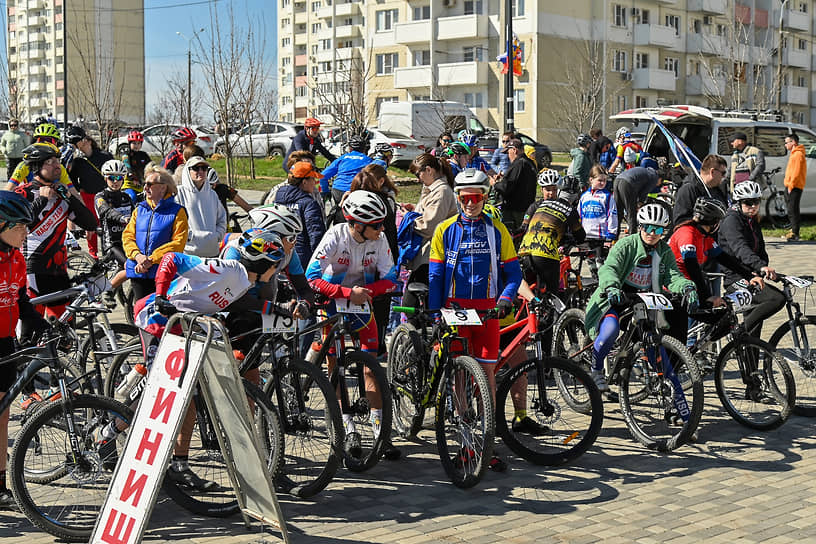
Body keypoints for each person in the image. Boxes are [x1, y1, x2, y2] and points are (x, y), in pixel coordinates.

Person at [132, 230, 286, 489]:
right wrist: (160, 296)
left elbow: (243, 303)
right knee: (159, 393)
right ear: (262, 265)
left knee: (190, 393)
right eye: (274, 265)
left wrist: (279, 309)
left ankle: (179, 466)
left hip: (185, 324)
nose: (277, 271)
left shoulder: (243, 281)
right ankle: (110, 432)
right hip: (157, 319)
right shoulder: (228, 269)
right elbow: (172, 259)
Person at [429, 168, 522, 471]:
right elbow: (436, 275)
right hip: (455, 309)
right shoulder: (444, 230)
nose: (470, 203)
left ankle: (487, 443)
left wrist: (506, 299)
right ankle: (465, 443)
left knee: (488, 379)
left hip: (487, 312)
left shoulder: (498, 230)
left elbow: (513, 273)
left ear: (484, 198)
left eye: (476, 198)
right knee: (460, 377)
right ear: (457, 198)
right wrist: (436, 311)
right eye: (465, 198)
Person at [305, 190, 401, 461]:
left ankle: (381, 432)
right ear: (357, 224)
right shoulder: (336, 235)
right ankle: (347, 429)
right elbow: (312, 278)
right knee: (335, 367)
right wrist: (347, 293)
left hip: (362, 303)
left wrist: (365, 292)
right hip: (333, 300)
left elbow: (391, 277)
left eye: (383, 223)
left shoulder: (379, 240)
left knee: (371, 367)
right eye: (377, 225)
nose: (382, 229)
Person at [584, 203, 697, 393]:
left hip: (642, 303)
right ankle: (596, 370)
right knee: (610, 330)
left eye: (658, 229)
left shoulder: (664, 251)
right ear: (640, 226)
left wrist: (686, 286)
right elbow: (609, 268)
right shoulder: (625, 245)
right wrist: (612, 286)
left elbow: (673, 276)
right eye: (648, 227)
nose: (652, 233)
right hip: (615, 298)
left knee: (654, 343)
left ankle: (666, 386)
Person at [0, 191, 50, 508]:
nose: (26, 233)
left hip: (6, 341)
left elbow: (21, 302)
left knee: (3, 416)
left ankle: (0, 484)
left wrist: (45, 326)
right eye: (20, 226)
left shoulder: (16, 258)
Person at [16, 144, 97, 319]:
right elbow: (18, 224)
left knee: (64, 330)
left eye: (58, 161)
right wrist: (42, 200)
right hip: (33, 270)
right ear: (37, 166)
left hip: (59, 270)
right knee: (32, 332)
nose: (57, 166)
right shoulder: (24, 193)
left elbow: (90, 223)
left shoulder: (62, 194)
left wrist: (69, 198)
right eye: (50, 162)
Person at [717, 181, 786, 338]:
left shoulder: (751, 219)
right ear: (739, 202)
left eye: (756, 201)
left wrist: (763, 268)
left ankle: (749, 355)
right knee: (776, 299)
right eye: (748, 202)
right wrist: (760, 266)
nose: (753, 206)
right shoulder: (731, 220)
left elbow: (761, 249)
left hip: (751, 276)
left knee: (754, 332)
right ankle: (739, 332)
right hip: (735, 278)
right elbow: (741, 249)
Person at [122, 164, 189, 304]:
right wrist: (138, 256)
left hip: (163, 272)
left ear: (163, 187)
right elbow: (127, 236)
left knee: (161, 315)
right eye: (144, 184)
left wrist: (151, 259)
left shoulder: (177, 212)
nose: (145, 188)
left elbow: (178, 244)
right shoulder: (139, 209)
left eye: (149, 184)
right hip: (138, 270)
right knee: (141, 312)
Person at [518, 169, 586, 296]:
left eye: (555, 190)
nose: (551, 193)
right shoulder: (537, 206)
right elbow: (580, 235)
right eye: (548, 190)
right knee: (552, 295)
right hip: (546, 252)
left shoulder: (537, 207)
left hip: (526, 251)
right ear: (542, 189)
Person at [402, 153, 457, 307]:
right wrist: (414, 210)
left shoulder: (441, 191)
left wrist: (408, 218)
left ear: (429, 170)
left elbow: (429, 226)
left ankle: (422, 330)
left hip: (430, 256)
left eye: (418, 174)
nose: (418, 179)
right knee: (416, 304)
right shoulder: (433, 190)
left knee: (411, 305)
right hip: (424, 255)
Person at [275, 161, 327, 268]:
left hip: (280, 256)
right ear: (304, 182)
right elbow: (316, 235)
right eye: (313, 178)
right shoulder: (309, 204)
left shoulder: (278, 197)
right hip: (302, 260)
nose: (315, 182)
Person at [70, 134, 113, 259]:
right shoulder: (78, 161)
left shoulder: (104, 156)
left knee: (106, 223)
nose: (80, 144)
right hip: (87, 195)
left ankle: (108, 250)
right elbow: (72, 179)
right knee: (91, 224)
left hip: (104, 194)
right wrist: (79, 189)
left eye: (82, 141)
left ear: (89, 141)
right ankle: (92, 252)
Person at [95, 160, 135, 294]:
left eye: (119, 177)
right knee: (129, 266)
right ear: (105, 178)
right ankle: (108, 291)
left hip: (128, 241)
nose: (115, 181)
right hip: (111, 243)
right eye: (111, 177)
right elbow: (105, 211)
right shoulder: (100, 196)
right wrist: (121, 218)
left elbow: (136, 214)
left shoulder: (126, 197)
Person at [174, 156, 226, 257]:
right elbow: (175, 222)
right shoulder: (179, 193)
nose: (201, 171)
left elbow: (222, 219)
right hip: (188, 254)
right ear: (187, 171)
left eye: (204, 168)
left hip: (212, 253)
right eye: (196, 168)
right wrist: (190, 237)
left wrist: (217, 236)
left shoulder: (212, 195)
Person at [578, 165, 618, 273]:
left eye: (604, 180)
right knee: (591, 264)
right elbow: (579, 216)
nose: (602, 183)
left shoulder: (607, 196)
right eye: (599, 180)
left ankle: (602, 284)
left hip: (601, 238)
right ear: (591, 180)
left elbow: (612, 215)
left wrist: (610, 236)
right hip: (586, 237)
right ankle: (594, 283)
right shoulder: (584, 196)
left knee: (601, 264)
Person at [493, 138, 538, 233]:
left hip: (516, 211)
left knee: (513, 236)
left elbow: (506, 187)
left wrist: (495, 184)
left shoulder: (518, 164)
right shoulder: (529, 162)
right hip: (527, 208)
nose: (508, 156)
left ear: (514, 150)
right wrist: (503, 179)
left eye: (508, 152)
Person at [672, 154, 729, 227]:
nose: (724, 176)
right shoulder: (689, 189)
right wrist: (702, 222)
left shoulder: (719, 189)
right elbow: (680, 221)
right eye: (723, 173)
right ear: (712, 172)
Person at [320, 133, 372, 205]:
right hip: (357, 192)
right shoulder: (368, 160)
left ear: (350, 148)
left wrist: (325, 191)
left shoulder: (343, 158)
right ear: (364, 148)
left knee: (337, 212)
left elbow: (322, 176)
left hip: (338, 190)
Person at [612, 165, 661, 235]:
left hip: (617, 180)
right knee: (631, 213)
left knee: (618, 212)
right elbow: (645, 192)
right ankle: (632, 236)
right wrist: (640, 203)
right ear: (660, 178)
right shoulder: (654, 177)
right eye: (660, 183)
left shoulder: (647, 171)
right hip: (627, 183)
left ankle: (614, 236)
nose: (658, 185)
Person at [783, 133, 806, 242]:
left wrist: (791, 185)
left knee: (793, 210)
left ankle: (795, 233)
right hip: (791, 185)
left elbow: (796, 173)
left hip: (794, 186)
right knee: (791, 209)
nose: (785, 145)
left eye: (786, 142)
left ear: (793, 143)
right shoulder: (794, 154)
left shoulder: (797, 155)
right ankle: (793, 231)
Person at [122, 130, 151, 200]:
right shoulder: (126, 155)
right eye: (134, 143)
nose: (136, 146)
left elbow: (151, 166)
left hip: (142, 185)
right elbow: (127, 167)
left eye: (138, 143)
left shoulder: (144, 155)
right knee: (132, 197)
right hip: (129, 185)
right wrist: (133, 178)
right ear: (129, 144)